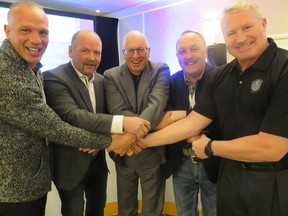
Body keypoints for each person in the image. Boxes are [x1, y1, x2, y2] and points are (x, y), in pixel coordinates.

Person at [140, 1, 288, 216]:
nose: (240, 38)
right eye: (231, 32)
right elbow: (192, 123)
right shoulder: (221, 76)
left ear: (263, 25)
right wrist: (142, 142)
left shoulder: (283, 68)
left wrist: (210, 147)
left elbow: (272, 147)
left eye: (247, 27)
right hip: (229, 179)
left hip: (272, 182)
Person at [0, 2, 141, 216]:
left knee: (98, 208)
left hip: (46, 178)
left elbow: (107, 113)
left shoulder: (32, 69)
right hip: (18, 187)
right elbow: (63, 123)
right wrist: (114, 139)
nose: (36, 39)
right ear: (8, 31)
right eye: (25, 30)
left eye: (43, 32)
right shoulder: (29, 75)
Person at [43, 30, 150, 216]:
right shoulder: (54, 77)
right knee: (73, 211)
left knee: (98, 209)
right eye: (85, 51)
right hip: (70, 167)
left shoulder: (102, 80)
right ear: (70, 51)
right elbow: (73, 116)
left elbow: (107, 115)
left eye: (97, 52)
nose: (92, 58)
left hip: (98, 164)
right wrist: (125, 122)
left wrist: (98, 141)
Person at [103, 30, 170, 216]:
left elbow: (156, 106)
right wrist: (130, 138)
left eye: (140, 50)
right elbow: (117, 111)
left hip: (151, 152)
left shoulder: (161, 70)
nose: (135, 55)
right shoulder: (111, 76)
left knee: (152, 210)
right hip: (124, 155)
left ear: (148, 51)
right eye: (130, 51)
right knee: (125, 209)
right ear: (123, 53)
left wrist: (130, 136)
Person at [160, 30, 221, 216]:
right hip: (181, 162)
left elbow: (224, 120)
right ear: (177, 55)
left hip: (214, 162)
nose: (188, 56)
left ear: (206, 52)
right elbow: (165, 119)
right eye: (182, 51)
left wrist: (183, 121)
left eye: (194, 49)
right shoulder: (172, 81)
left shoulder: (220, 77)